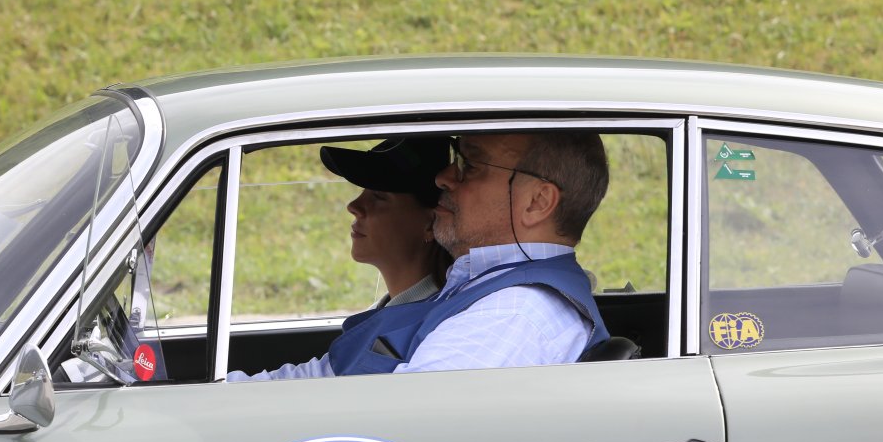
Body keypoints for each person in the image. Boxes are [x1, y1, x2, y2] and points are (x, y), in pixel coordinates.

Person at [363, 129, 610, 375]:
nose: (443, 178)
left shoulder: (511, 314)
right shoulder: (496, 293)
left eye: (470, 165)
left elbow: (408, 401)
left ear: (538, 202)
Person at [227, 136, 451, 381]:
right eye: (364, 192)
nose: (354, 205)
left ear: (430, 223)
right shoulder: (395, 312)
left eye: (378, 196)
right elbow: (319, 376)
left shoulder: (427, 329)